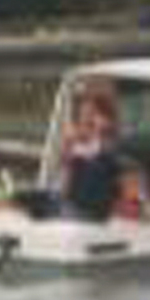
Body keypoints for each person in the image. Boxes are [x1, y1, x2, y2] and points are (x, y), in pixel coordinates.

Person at [61, 83, 124, 222]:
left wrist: (97, 132)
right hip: (76, 200)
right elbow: (66, 165)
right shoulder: (74, 136)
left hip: (95, 205)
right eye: (83, 113)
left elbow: (101, 156)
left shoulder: (106, 140)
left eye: (90, 113)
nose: (85, 117)